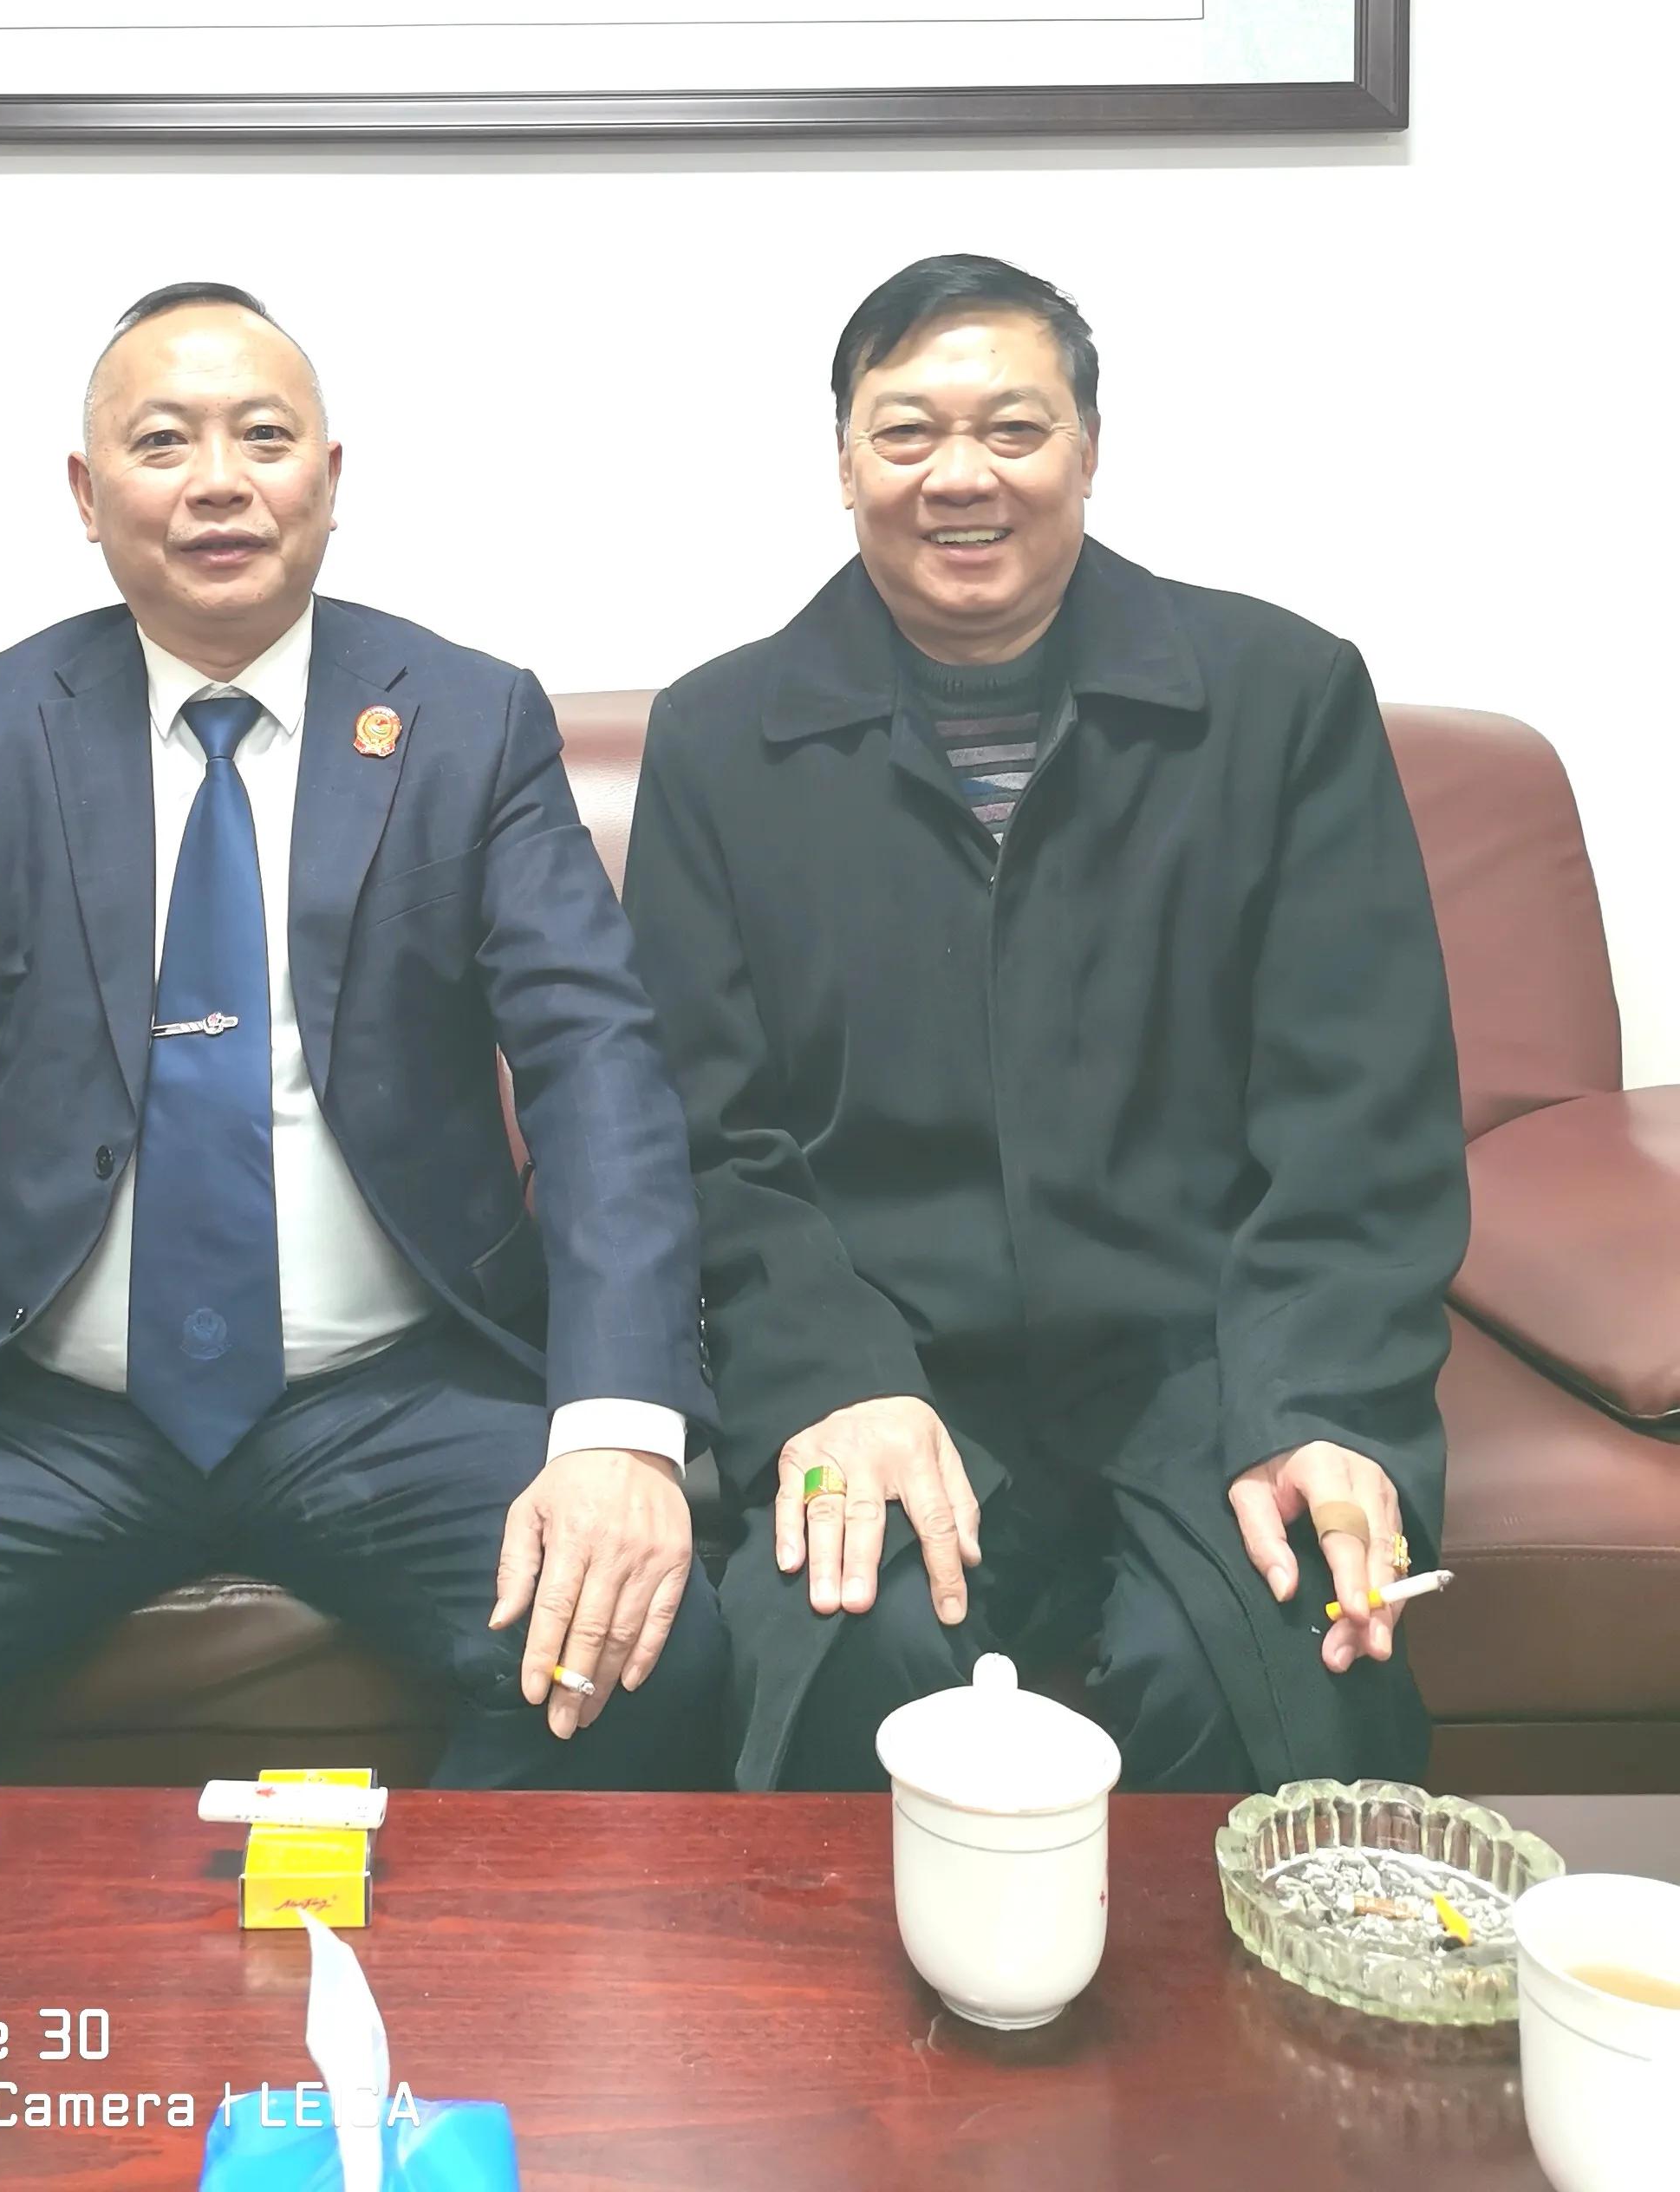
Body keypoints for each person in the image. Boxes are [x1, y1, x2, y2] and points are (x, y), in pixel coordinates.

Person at [0, 283, 722, 1791]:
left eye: (263, 436)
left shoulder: (469, 724)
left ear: (329, 477)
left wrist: (616, 1429)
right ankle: (32, 1943)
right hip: (44, 1405)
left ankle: (426, 1950)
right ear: (88, 496)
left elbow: (599, 1072)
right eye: (162, 443)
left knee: (645, 1645)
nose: (218, 481)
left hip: (392, 1391)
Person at [622, 254, 1470, 1792]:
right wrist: (829, 1380)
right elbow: (706, 1140)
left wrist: (1317, 1408)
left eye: (1013, 428)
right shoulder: (721, 741)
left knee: (1280, 1665)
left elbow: (1361, 1120)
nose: (961, 475)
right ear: (843, 465)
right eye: (906, 433)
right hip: (885, 1361)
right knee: (842, 1649)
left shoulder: (1281, 700)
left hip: (1208, 1363)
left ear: (1089, 449)